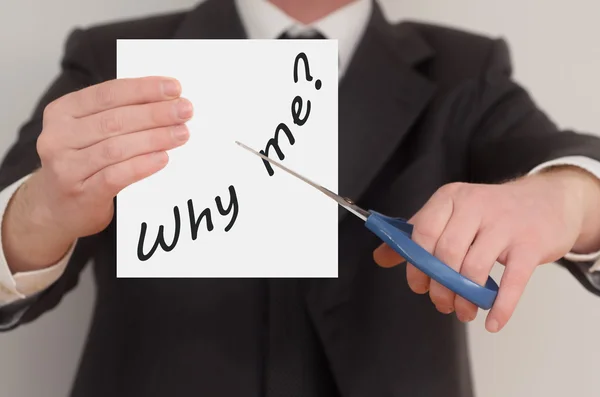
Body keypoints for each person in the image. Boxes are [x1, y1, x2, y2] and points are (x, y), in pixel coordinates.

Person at [1, 0, 599, 395]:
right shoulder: (112, 58)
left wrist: (563, 199)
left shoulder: (465, 71)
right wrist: (44, 209)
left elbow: (575, 170)